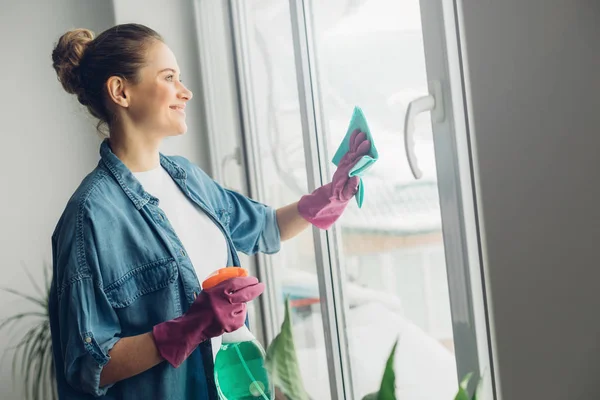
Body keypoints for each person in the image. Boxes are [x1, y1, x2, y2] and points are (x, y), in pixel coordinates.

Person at [49, 23, 370, 399]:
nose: (185, 92)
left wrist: (329, 195)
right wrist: (189, 327)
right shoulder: (89, 218)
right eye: (169, 78)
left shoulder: (188, 178)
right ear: (121, 91)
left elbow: (263, 227)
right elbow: (89, 367)